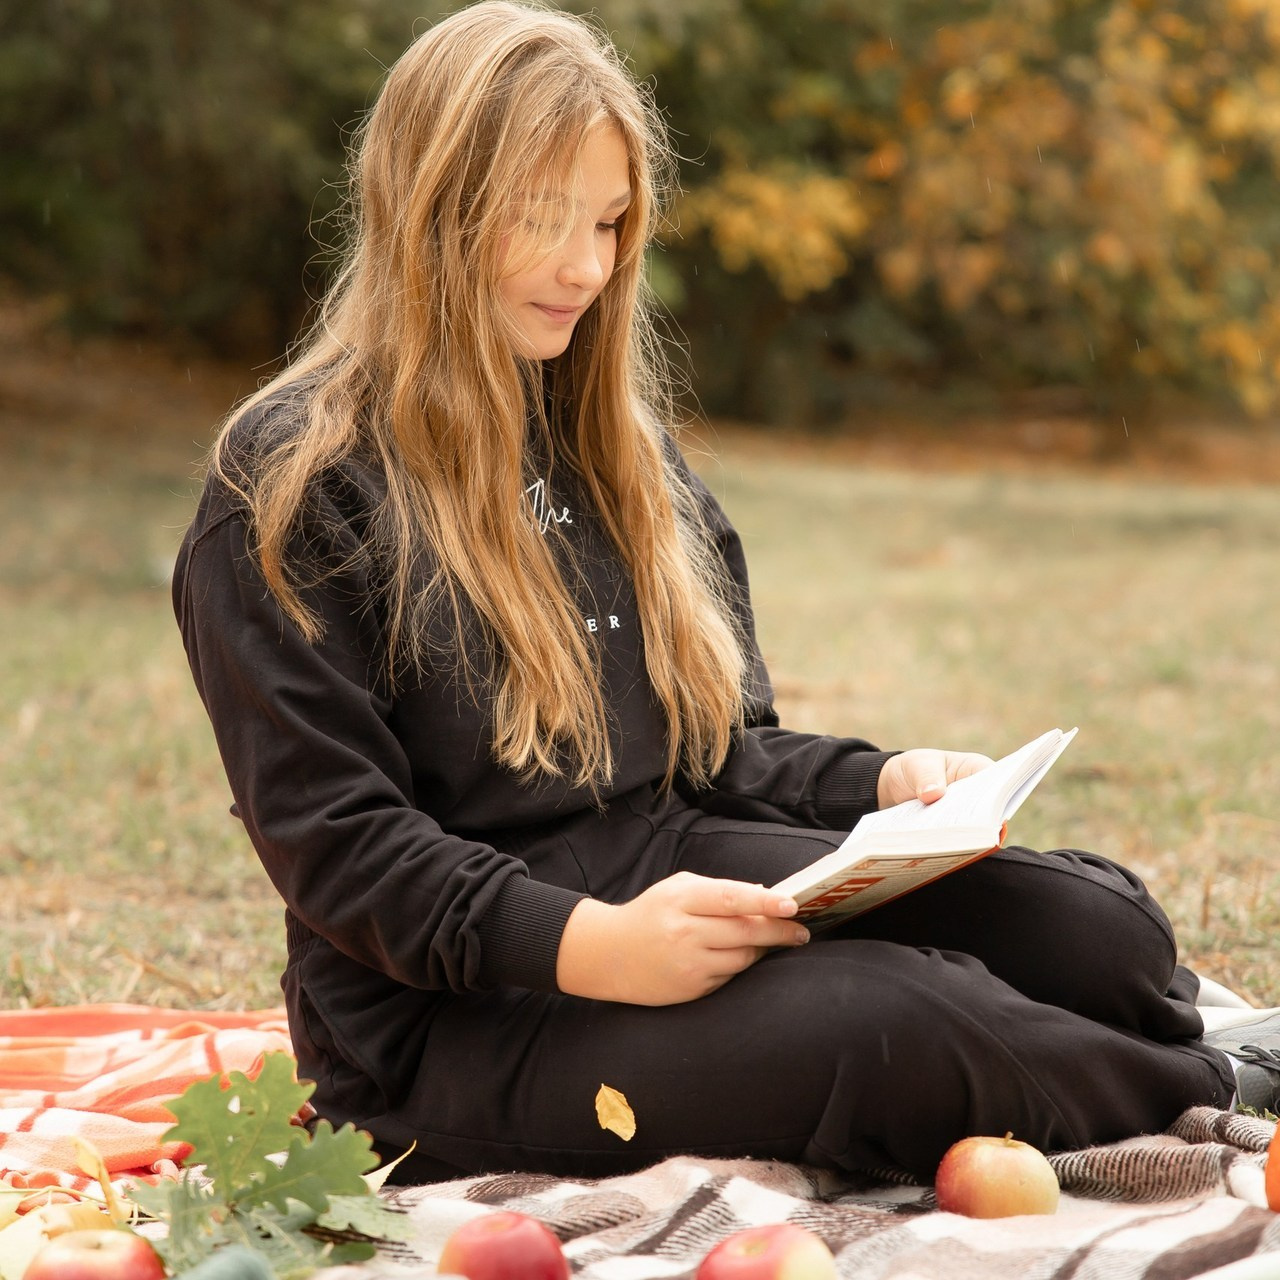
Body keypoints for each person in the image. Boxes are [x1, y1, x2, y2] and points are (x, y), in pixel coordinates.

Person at [173, 0, 1267, 1187]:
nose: (585, 267)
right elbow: (344, 851)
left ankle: (1126, 1037)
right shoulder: (286, 493)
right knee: (893, 1014)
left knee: (1088, 924)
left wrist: (880, 785)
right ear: (430, 206)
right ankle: (1211, 1089)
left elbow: (719, 753)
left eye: (605, 222)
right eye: (542, 217)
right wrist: (597, 947)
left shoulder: (607, 447)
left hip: (666, 865)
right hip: (448, 1024)